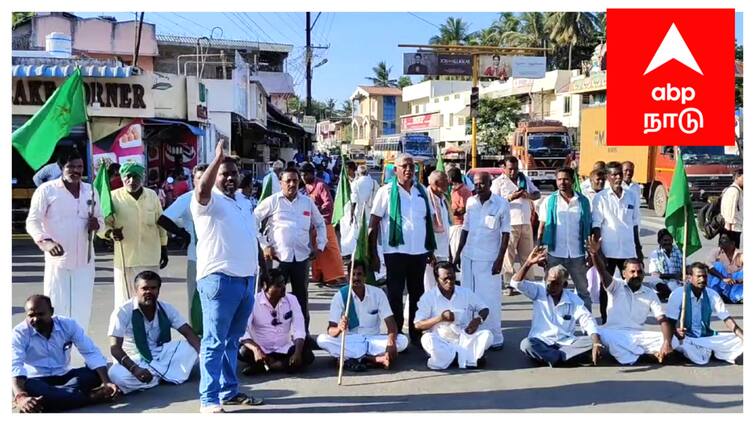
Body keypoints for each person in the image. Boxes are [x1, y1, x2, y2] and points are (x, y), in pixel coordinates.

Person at [191, 141, 262, 412]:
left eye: (233, 173)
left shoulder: (243, 203)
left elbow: (251, 238)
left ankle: (228, 391)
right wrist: (216, 159)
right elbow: (202, 189)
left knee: (232, 341)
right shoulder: (207, 202)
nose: (230, 177)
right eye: (224, 173)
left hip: (246, 281)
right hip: (219, 281)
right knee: (214, 341)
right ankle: (208, 399)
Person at [26, 149, 104, 331]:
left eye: (80, 166)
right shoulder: (46, 190)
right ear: (61, 168)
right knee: (56, 308)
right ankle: (57, 356)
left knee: (82, 310)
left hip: (85, 262)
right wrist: (46, 242)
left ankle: (79, 354)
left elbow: (101, 220)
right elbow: (33, 221)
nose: (76, 171)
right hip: (58, 262)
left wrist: (97, 225)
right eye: (71, 167)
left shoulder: (90, 191)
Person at [369, 153, 437, 345]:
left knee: (418, 294)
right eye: (404, 166)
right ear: (395, 169)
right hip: (395, 253)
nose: (408, 170)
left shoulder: (421, 191)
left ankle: (416, 333)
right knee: (395, 295)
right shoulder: (386, 191)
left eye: (411, 166)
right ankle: (396, 333)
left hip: (418, 253)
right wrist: (373, 254)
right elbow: (373, 224)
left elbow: (427, 222)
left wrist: (430, 250)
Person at [12, 295, 120, 413]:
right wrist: (20, 397)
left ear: (51, 312)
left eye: (40, 314)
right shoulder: (19, 333)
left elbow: (91, 352)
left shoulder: (68, 325)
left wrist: (106, 382)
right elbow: (14, 364)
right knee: (29, 387)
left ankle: (52, 400)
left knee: (95, 373)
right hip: (37, 380)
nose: (36, 319)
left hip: (66, 376)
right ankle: (91, 397)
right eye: (31, 315)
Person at [255, 167, 327, 333]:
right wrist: (264, 245)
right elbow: (252, 220)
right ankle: (273, 334)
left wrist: (320, 245)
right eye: (288, 181)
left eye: (295, 180)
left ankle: (303, 335)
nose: (292, 184)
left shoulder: (307, 202)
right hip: (279, 259)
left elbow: (320, 223)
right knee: (274, 298)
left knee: (301, 299)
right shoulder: (273, 201)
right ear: (281, 183)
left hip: (301, 259)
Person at [587, 236, 676, 365]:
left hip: (638, 335)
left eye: (639, 272)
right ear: (624, 274)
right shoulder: (616, 286)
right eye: (632, 271)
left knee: (674, 340)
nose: (636, 275)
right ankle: (646, 355)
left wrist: (667, 343)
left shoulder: (649, 293)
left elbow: (662, 319)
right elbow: (602, 272)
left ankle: (638, 354)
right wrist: (594, 254)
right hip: (614, 333)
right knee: (603, 335)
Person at [107, 271, 201, 394]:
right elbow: (115, 349)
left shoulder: (166, 308)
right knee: (116, 375)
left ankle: (155, 377)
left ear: (158, 290)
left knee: (193, 346)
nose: (149, 292)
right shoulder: (123, 311)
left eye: (153, 288)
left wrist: (204, 356)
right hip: (135, 358)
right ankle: (167, 374)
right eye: (144, 288)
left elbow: (188, 332)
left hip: (161, 354)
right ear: (136, 290)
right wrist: (135, 369)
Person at [512, 247, 604, 367]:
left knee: (595, 340)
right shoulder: (539, 290)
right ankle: (564, 358)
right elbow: (515, 283)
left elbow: (587, 319)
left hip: (566, 342)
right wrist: (529, 263)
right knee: (526, 345)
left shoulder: (573, 299)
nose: (551, 286)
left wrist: (596, 342)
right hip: (541, 341)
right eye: (549, 282)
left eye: (556, 283)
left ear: (564, 284)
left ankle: (552, 358)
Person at [453, 171, 510, 349]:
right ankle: (471, 333)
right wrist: (457, 254)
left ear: (490, 183)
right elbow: (465, 229)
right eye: (476, 184)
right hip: (469, 257)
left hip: (489, 259)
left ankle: (495, 336)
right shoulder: (471, 202)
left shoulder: (501, 204)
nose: (478, 187)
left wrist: (500, 259)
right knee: (468, 296)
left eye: (482, 184)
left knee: (490, 298)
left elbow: (506, 233)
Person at [99, 162, 168, 309]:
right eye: (128, 177)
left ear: (142, 178)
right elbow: (102, 223)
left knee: (149, 300)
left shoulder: (152, 195)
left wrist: (164, 247)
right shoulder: (113, 197)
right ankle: (127, 332)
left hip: (150, 257)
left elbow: (160, 222)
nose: (131, 181)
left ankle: (148, 330)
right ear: (122, 177)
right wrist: (111, 233)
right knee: (125, 302)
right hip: (126, 259)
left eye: (135, 177)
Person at [318, 261, 408, 371]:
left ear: (365, 276)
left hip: (373, 340)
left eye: (359, 274)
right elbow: (331, 330)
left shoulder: (378, 293)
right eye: (353, 274)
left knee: (403, 340)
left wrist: (390, 343)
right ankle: (372, 359)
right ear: (348, 277)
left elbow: (391, 323)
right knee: (322, 340)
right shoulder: (340, 296)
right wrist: (339, 329)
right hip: (351, 340)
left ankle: (350, 358)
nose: (356, 278)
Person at [158, 164, 207, 334]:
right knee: (197, 302)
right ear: (193, 180)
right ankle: (198, 340)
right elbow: (163, 219)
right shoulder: (187, 199)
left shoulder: (220, 199)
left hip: (221, 261)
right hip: (197, 260)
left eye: (207, 177)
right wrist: (182, 234)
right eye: (199, 178)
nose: (203, 182)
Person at [414, 262, 492, 370]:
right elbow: (418, 325)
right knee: (427, 339)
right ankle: (466, 358)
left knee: (487, 335)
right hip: (441, 341)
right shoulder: (428, 297)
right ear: (437, 279)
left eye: (452, 278)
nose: (449, 282)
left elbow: (484, 309)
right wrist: (440, 318)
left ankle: (453, 358)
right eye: (445, 279)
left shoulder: (465, 292)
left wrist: (478, 320)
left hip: (464, 338)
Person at [591, 161, 642, 324]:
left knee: (632, 285)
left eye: (619, 174)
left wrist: (638, 250)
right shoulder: (600, 198)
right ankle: (606, 320)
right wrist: (599, 252)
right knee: (606, 286)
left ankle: (631, 318)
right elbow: (597, 225)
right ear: (607, 177)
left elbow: (634, 225)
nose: (618, 177)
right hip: (608, 250)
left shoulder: (631, 195)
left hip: (628, 250)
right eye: (614, 174)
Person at [238, 269, 315, 375]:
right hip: (261, 349)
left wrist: (297, 352)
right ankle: (281, 365)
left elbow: (299, 328)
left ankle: (269, 366)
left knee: (307, 355)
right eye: (278, 285)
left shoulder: (291, 299)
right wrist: (256, 349)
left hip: (284, 348)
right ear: (265, 286)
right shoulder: (253, 301)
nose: (283, 288)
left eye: (284, 283)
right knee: (242, 352)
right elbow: (242, 330)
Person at [537, 167, 593, 310]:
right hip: (555, 253)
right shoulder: (549, 201)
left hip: (577, 254)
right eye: (559, 179)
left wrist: (591, 253)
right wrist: (539, 249)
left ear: (572, 180)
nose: (562, 182)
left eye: (566, 179)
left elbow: (589, 227)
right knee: (550, 290)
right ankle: (550, 320)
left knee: (583, 292)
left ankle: (588, 325)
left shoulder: (583, 202)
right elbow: (542, 226)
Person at [666, 263, 744, 365]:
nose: (702, 279)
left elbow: (726, 318)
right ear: (689, 278)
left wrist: (743, 336)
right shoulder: (678, 294)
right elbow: (670, 322)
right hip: (685, 338)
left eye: (705, 276)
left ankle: (709, 352)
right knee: (671, 341)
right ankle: (710, 352)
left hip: (706, 336)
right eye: (699, 276)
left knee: (737, 339)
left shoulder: (712, 295)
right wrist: (677, 332)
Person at [492, 156, 541, 294]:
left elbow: (537, 193)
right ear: (504, 168)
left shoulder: (524, 179)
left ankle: (528, 282)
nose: (513, 172)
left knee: (528, 254)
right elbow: (494, 203)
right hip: (509, 224)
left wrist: (528, 195)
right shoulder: (498, 182)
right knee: (509, 255)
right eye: (510, 169)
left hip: (525, 221)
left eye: (515, 169)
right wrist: (510, 198)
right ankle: (509, 283)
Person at [302, 162, 345, 285]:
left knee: (330, 250)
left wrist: (315, 210)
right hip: (311, 226)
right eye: (302, 175)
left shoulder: (321, 185)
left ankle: (337, 277)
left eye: (305, 175)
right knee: (316, 252)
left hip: (324, 223)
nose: (303, 178)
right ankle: (319, 275)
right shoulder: (304, 187)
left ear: (312, 174)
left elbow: (328, 204)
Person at [423, 170, 452, 292]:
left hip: (443, 250)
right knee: (427, 286)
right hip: (431, 252)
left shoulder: (442, 198)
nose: (448, 183)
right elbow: (424, 227)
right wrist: (429, 251)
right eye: (445, 181)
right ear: (436, 183)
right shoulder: (426, 198)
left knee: (440, 286)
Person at [647, 229, 684, 301]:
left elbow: (688, 267)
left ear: (672, 240)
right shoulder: (655, 253)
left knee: (674, 286)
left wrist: (682, 274)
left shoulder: (679, 251)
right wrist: (672, 276)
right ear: (659, 242)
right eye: (665, 240)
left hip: (677, 281)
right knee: (654, 280)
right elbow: (655, 273)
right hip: (662, 280)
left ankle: (667, 294)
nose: (667, 243)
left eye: (669, 240)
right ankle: (668, 294)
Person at [707, 233, 744, 304]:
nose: (721, 240)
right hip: (719, 283)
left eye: (724, 239)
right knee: (718, 266)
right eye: (721, 238)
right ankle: (716, 295)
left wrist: (736, 281)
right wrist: (723, 278)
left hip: (733, 284)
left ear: (732, 243)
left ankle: (733, 297)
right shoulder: (716, 252)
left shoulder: (740, 255)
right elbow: (707, 266)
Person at [448, 167, 473, 259]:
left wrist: (451, 211)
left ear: (451, 178)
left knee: (458, 255)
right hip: (453, 224)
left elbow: (464, 208)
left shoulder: (464, 190)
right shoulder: (453, 190)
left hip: (460, 226)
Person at [720, 169, 743, 249]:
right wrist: (728, 231)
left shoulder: (738, 190)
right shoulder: (734, 191)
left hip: (734, 228)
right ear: (738, 177)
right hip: (732, 229)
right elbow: (729, 211)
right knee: (730, 254)